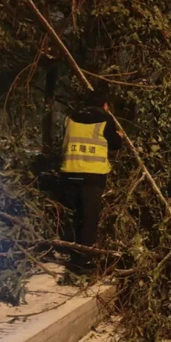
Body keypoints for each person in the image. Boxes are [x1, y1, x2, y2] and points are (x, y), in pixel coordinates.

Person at [60, 90, 122, 267]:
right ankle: (84, 260)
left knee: (74, 216)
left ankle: (70, 252)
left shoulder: (69, 118)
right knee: (89, 218)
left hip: (69, 173)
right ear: (105, 105)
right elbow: (115, 145)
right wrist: (119, 136)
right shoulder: (105, 120)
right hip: (92, 176)